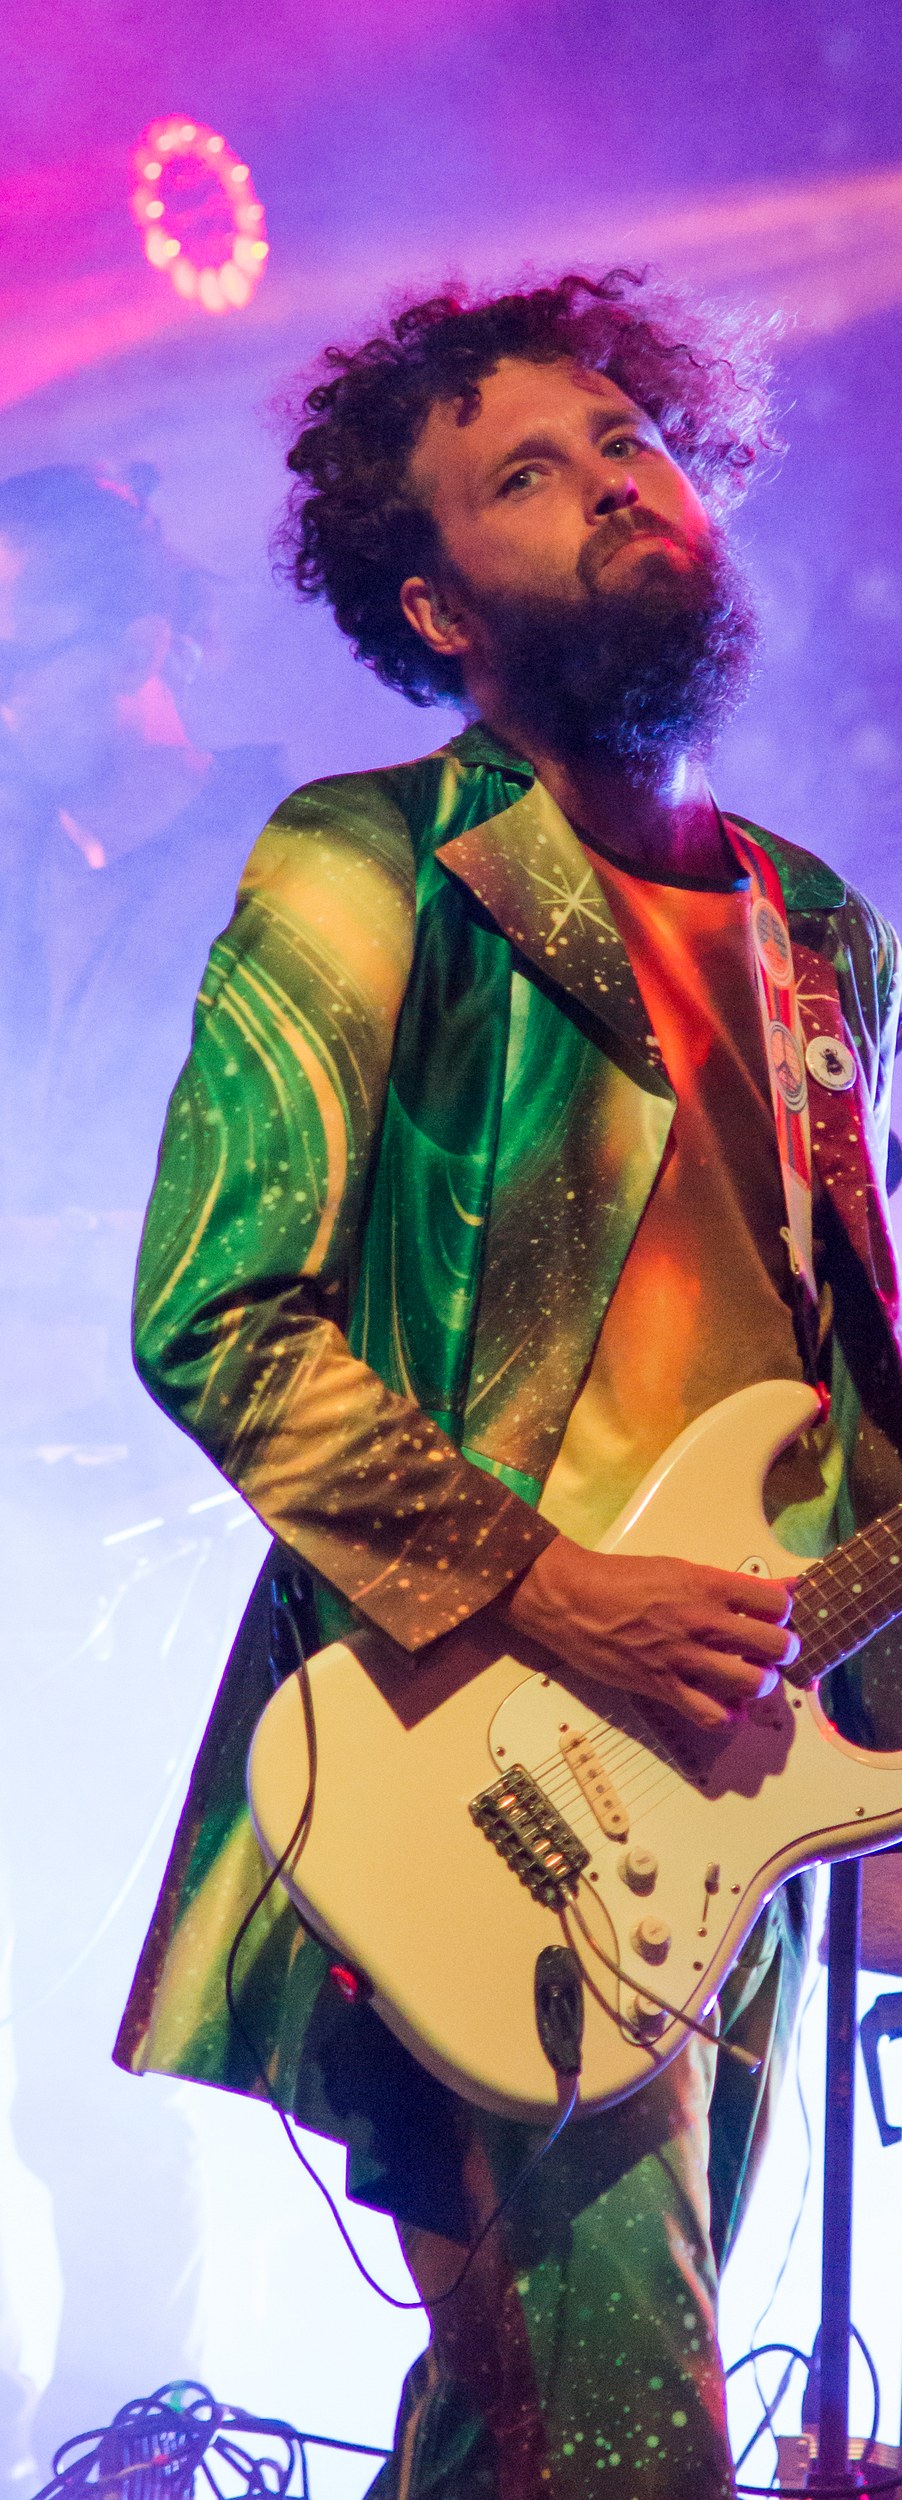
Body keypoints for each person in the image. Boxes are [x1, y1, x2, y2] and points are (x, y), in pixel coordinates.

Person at [113, 272, 902, 2500]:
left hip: (727, 1786)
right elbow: (219, 1315)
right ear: (435, 605)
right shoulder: (374, 861)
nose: (610, 483)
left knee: (520, 2432)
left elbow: (804, 1397)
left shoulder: (820, 934)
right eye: (524, 473)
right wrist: (556, 1588)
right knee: (630, 2439)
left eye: (626, 438)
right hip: (464, 1756)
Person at [0, 467, 285, 2478]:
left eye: (18, 654)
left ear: (142, 640)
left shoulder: (290, 871)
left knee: (85, 2020)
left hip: (176, 1529)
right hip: (19, 1499)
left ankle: (130, 2434)